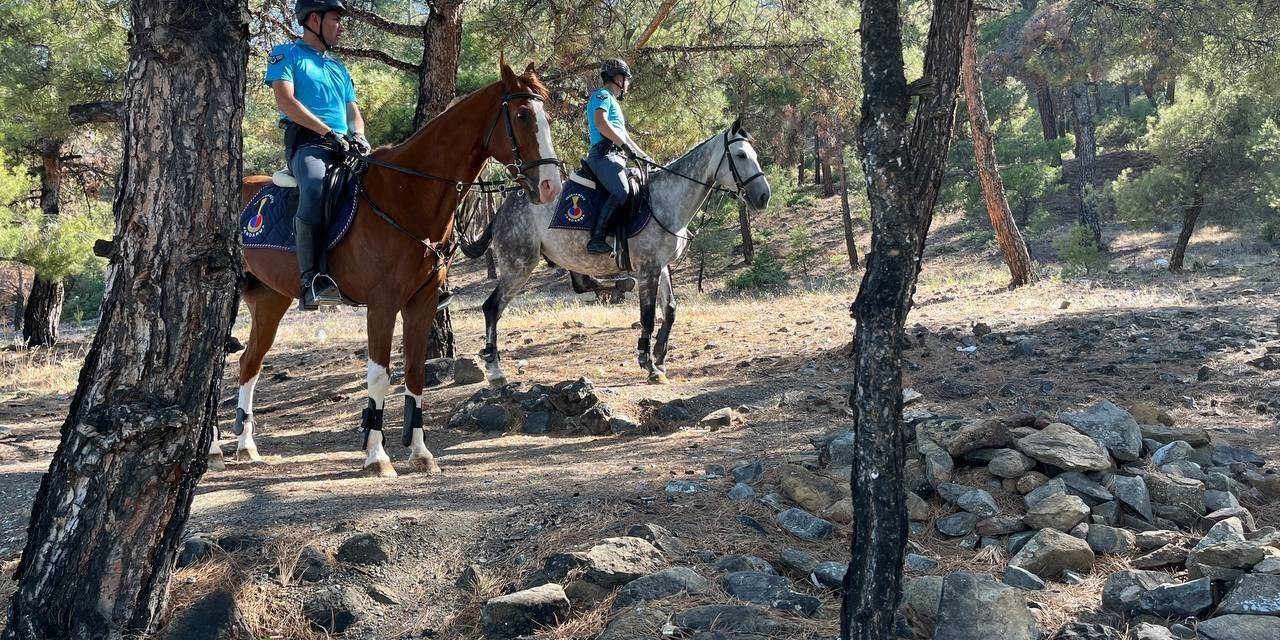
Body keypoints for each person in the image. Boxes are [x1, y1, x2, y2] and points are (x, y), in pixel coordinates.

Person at [266, 0, 370, 310]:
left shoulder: (338, 67)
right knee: (315, 184)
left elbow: (354, 113)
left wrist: (359, 135)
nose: (342, 26)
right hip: (310, 145)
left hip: (346, 146)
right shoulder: (286, 54)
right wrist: (327, 132)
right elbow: (286, 101)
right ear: (314, 18)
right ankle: (311, 279)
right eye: (336, 19)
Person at [584, 58, 653, 254]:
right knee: (622, 191)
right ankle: (597, 238)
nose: (628, 84)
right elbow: (601, 123)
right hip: (603, 155)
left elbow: (626, 138)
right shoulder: (603, 95)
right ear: (618, 79)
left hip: (616, 156)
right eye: (627, 79)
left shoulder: (612, 101)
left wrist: (644, 156)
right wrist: (623, 146)